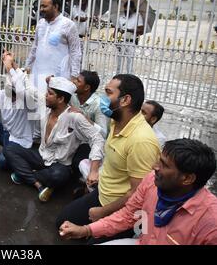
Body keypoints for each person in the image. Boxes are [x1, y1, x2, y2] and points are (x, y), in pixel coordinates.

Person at [55, 74, 161, 244]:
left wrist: (103, 212)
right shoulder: (116, 121)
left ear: (125, 100)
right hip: (102, 193)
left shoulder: (141, 140)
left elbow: (137, 195)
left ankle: (128, 234)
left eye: (108, 93)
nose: (103, 98)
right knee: (62, 222)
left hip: (123, 209)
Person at [59, 138, 217, 245]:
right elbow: (128, 215)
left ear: (187, 179)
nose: (155, 167)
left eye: (164, 165)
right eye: (158, 160)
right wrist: (85, 230)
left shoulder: (210, 222)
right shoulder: (151, 182)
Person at [4, 53, 105, 202]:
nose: (45, 95)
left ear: (61, 99)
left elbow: (98, 138)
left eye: (50, 94)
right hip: (41, 156)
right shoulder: (45, 105)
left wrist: (94, 170)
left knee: (58, 176)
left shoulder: (74, 116)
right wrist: (14, 67)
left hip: (60, 164)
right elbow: (28, 87)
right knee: (9, 149)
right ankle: (37, 183)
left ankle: (25, 174)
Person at [24, 0, 82, 91]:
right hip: (38, 72)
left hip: (57, 76)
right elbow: (35, 47)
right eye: (41, 6)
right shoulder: (40, 24)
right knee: (35, 100)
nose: (41, 9)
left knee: (52, 103)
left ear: (55, 6)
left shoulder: (68, 25)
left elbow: (75, 51)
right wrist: (27, 65)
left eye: (44, 6)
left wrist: (74, 75)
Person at [70, 70, 110, 192]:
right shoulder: (73, 96)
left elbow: (103, 133)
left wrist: (86, 118)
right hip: (73, 137)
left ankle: (86, 187)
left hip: (90, 143)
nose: (74, 82)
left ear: (87, 87)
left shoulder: (98, 104)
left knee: (77, 162)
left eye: (78, 81)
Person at [115, 0, 144, 74]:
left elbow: (141, 30)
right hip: (121, 42)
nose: (127, 10)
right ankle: (118, 77)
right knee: (119, 63)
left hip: (131, 42)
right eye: (125, 8)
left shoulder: (137, 16)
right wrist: (115, 39)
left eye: (129, 8)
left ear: (133, 8)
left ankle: (129, 78)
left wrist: (129, 30)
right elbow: (116, 30)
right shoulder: (121, 17)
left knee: (129, 63)